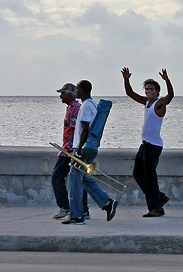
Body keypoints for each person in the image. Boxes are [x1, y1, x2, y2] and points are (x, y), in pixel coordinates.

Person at [63, 80, 118, 225]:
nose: (75, 91)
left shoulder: (86, 105)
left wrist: (78, 151)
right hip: (88, 147)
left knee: (74, 182)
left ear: (81, 90)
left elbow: (85, 130)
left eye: (77, 88)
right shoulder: (93, 104)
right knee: (84, 179)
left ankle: (77, 216)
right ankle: (107, 203)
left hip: (82, 148)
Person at [122, 67, 174, 218]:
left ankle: (156, 208)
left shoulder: (159, 104)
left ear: (157, 91)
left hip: (154, 145)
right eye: (146, 89)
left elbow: (170, 96)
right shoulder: (146, 103)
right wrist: (126, 80)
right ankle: (160, 197)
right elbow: (130, 94)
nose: (148, 91)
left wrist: (167, 81)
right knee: (137, 173)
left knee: (149, 177)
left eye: (151, 89)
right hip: (144, 145)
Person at [51, 83, 87, 220]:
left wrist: (71, 150)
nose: (60, 96)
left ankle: (65, 206)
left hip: (70, 149)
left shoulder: (74, 109)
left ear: (70, 94)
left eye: (63, 93)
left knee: (57, 176)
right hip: (70, 148)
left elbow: (75, 131)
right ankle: (83, 210)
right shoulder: (73, 107)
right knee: (79, 179)